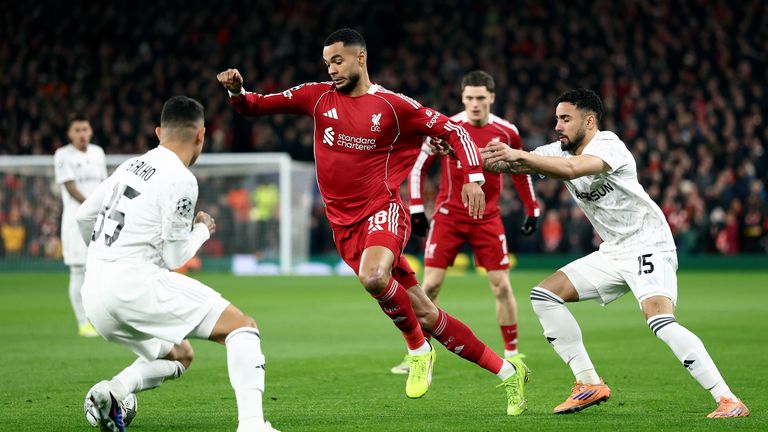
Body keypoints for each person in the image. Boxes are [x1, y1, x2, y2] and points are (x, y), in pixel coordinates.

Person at [217, 28, 530, 415]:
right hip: (343, 226)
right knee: (428, 314)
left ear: (360, 58)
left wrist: (475, 178)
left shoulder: (393, 106)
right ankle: (508, 373)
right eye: (327, 62)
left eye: (338, 60)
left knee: (374, 277)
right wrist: (236, 91)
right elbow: (255, 106)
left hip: (383, 211)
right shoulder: (315, 97)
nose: (331, 69)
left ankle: (418, 350)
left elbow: (457, 131)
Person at [480, 88, 749, 418]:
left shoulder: (608, 145)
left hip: (648, 243)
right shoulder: (557, 150)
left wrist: (519, 157)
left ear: (589, 121)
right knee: (544, 295)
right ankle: (588, 382)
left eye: (565, 119)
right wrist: (455, 151)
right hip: (614, 251)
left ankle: (728, 399)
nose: (557, 126)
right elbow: (507, 162)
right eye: (556, 119)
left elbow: (570, 169)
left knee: (660, 320)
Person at [76, 96, 279, 432]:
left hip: (94, 295)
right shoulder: (181, 178)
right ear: (201, 136)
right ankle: (253, 426)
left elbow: (84, 216)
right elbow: (174, 257)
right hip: (135, 284)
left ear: (159, 132)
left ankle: (113, 392)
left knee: (180, 355)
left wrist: (104, 260)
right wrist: (202, 229)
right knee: (242, 327)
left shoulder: (129, 165)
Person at [390, 71, 540, 375]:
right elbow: (419, 166)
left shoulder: (507, 131)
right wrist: (417, 208)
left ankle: (513, 353)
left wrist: (532, 208)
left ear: (491, 98)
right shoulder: (449, 127)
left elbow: (520, 169)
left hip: (488, 217)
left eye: (481, 98)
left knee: (501, 287)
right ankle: (420, 353)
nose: (475, 103)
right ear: (462, 98)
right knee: (429, 286)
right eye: (470, 98)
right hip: (450, 217)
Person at [54, 114, 107, 337]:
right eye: (77, 130)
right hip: (75, 220)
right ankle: (82, 322)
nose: (82, 134)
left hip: (100, 219)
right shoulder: (63, 155)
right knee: (78, 270)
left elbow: (104, 183)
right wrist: (93, 206)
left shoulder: (98, 153)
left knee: (102, 268)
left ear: (91, 131)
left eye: (85, 129)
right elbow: (70, 187)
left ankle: (101, 318)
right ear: (69, 134)